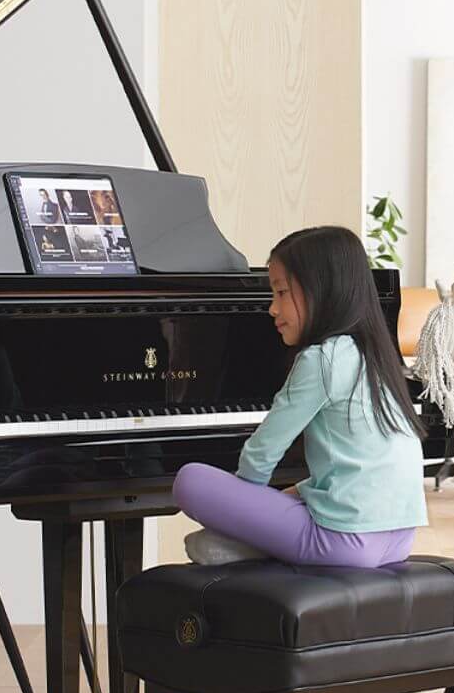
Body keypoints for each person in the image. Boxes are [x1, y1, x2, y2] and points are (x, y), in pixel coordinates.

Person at [172, 225, 427, 567]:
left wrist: (243, 511)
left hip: (343, 542)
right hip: (399, 539)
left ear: (320, 292)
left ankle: (243, 545)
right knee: (294, 495)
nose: (272, 309)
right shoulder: (376, 356)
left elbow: (262, 453)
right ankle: (255, 545)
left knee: (190, 480)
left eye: (280, 293)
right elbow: (354, 469)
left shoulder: (322, 359)